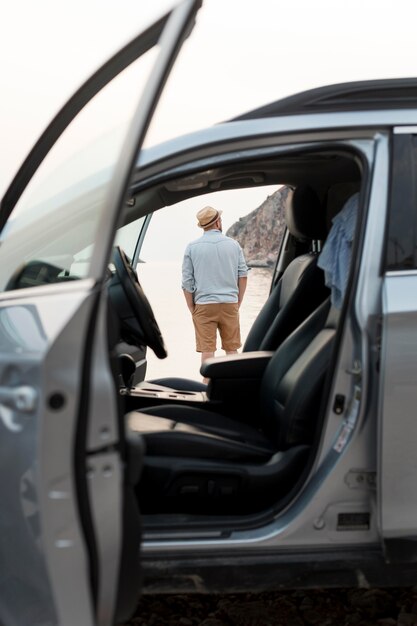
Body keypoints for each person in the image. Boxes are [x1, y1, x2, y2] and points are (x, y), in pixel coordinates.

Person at [181, 206, 249, 375]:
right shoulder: (234, 245)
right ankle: (234, 386)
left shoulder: (192, 247)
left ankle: (206, 388)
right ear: (218, 222)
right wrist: (238, 300)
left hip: (204, 305)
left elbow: (187, 282)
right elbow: (243, 275)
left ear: (203, 225)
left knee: (207, 351)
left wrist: (191, 307)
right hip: (230, 303)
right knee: (232, 350)